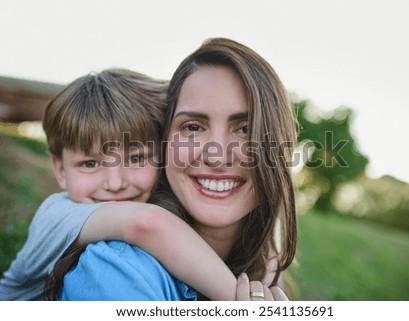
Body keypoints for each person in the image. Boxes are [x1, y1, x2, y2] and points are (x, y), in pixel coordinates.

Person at [58, 38, 298, 301]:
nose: (216, 157)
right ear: (164, 143)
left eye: (245, 129)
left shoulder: (262, 263)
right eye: (193, 127)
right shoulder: (119, 269)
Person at [0, 68, 239, 301]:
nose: (115, 184)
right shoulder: (56, 215)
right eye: (90, 163)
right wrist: (245, 303)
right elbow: (147, 223)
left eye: (136, 159)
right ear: (61, 170)